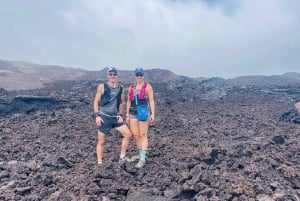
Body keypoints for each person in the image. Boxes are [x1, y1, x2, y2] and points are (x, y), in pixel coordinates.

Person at [93, 67, 132, 165]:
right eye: (110, 74)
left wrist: (120, 114)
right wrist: (97, 115)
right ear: (108, 76)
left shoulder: (121, 88)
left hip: (115, 117)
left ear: (117, 76)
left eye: (114, 74)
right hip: (104, 116)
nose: (112, 76)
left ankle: (122, 157)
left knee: (128, 134)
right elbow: (96, 101)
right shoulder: (102, 86)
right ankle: (99, 163)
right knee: (101, 141)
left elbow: (123, 101)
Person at [126, 67, 155, 168]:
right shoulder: (131, 87)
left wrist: (152, 114)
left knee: (143, 134)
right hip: (133, 113)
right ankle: (139, 154)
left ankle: (142, 158)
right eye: (137, 75)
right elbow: (129, 101)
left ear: (143, 76)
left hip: (143, 112)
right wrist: (127, 114)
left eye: (141, 75)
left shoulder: (148, 87)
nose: (139, 77)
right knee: (136, 135)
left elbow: (151, 100)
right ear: (135, 76)